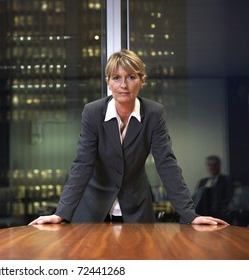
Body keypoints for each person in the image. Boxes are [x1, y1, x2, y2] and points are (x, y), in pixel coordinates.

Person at [29, 49, 228, 226]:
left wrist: (190, 214)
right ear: (107, 82)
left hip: (136, 210)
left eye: (131, 77)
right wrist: (61, 213)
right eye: (116, 77)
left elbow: (166, 164)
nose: (123, 85)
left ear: (142, 81)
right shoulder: (92, 112)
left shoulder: (153, 113)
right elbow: (82, 164)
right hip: (93, 210)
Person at [192, 155, 233, 221]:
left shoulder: (226, 180)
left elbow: (229, 198)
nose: (212, 167)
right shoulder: (202, 182)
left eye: (214, 165)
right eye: (210, 165)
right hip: (203, 216)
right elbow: (196, 198)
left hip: (219, 217)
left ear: (219, 165)